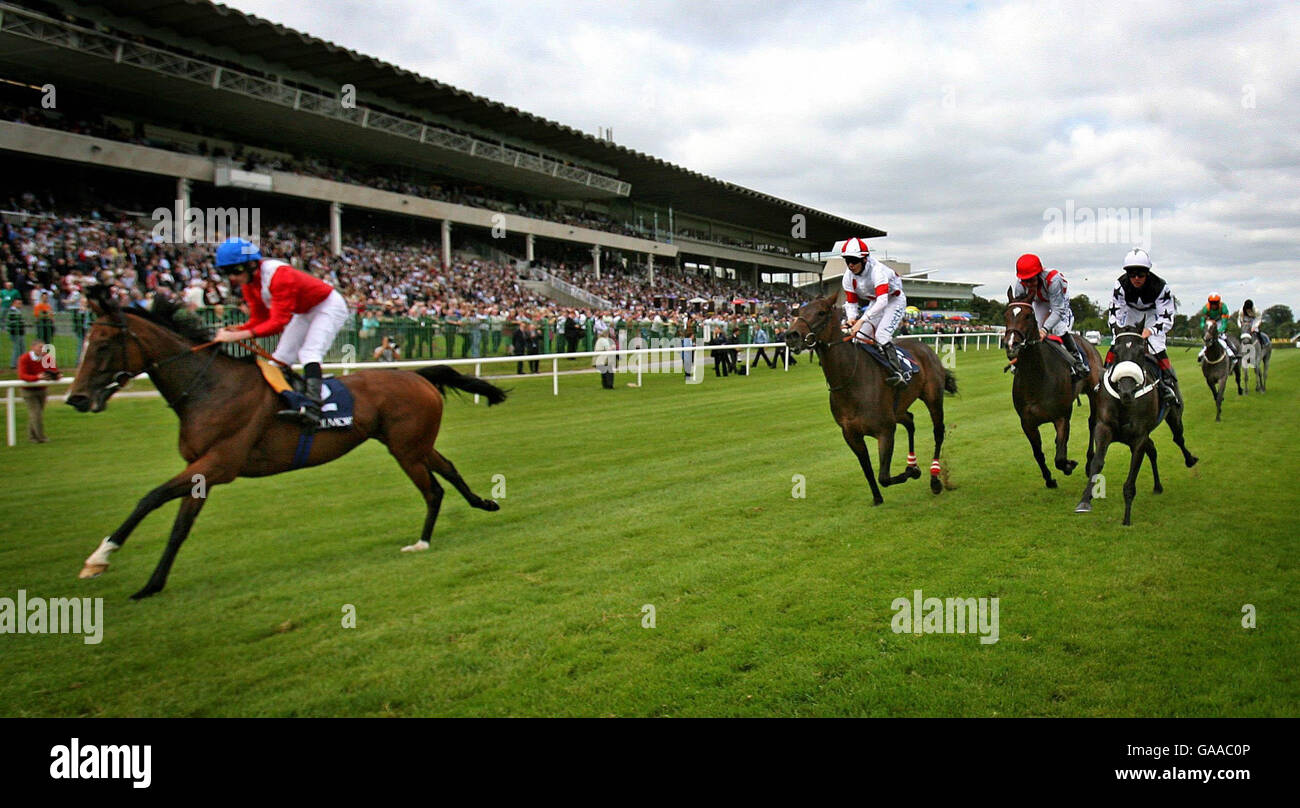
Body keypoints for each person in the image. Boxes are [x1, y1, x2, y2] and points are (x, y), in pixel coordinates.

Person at [212, 237, 350, 429]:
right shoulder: (249, 285)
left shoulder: (279, 275)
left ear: (251, 264)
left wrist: (237, 336)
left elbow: (278, 323)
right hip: (305, 311)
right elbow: (259, 320)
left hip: (328, 305)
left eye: (235, 270)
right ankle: (284, 402)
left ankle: (313, 409)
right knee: (279, 359)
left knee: (309, 353)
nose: (232, 277)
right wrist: (238, 330)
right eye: (226, 272)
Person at [1106, 248, 1179, 406]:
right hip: (1130, 313)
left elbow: (1166, 316)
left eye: (1141, 274)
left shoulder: (1161, 287)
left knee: (1157, 345)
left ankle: (1168, 384)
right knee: (1117, 343)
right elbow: (1115, 312)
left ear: (1147, 273)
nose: (1136, 278)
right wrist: (1118, 331)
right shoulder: (1120, 284)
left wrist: (1151, 330)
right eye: (1132, 274)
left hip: (1153, 315)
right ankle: (1104, 375)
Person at [837, 237, 907, 386]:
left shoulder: (878, 271)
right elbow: (851, 302)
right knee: (857, 338)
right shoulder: (847, 277)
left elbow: (883, 302)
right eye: (847, 260)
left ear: (864, 259)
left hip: (894, 301)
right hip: (876, 302)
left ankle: (898, 372)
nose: (850, 264)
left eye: (854, 260)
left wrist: (861, 320)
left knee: (881, 335)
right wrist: (851, 319)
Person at [1012, 254, 1089, 379]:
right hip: (1038, 301)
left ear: (1039, 274)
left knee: (1059, 328)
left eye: (1032, 280)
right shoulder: (1020, 285)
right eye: (1025, 281)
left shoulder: (1054, 280)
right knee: (1030, 327)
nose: (1029, 284)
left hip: (1058, 301)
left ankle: (1077, 361)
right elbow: (1022, 310)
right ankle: (1019, 359)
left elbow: (1057, 310)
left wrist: (1044, 329)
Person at [17, 338, 59, 443]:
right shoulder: (25, 358)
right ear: (33, 347)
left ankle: (32, 437)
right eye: (40, 347)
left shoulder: (47, 357)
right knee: (36, 414)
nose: (42, 349)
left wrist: (57, 375)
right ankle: (41, 437)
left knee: (36, 414)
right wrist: (37, 377)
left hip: (42, 389)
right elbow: (22, 375)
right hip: (28, 391)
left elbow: (54, 370)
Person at [1195, 294, 1235, 363]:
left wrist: (1219, 331)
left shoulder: (1223, 307)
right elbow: (1202, 322)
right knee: (1207, 337)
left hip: (1220, 321)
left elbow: (1224, 323)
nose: (1213, 305)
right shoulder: (1206, 308)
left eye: (1215, 303)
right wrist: (1204, 328)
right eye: (1212, 303)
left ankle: (1231, 352)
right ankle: (1202, 352)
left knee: (1222, 336)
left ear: (1218, 302)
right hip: (1210, 321)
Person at [6, 298, 25, 369]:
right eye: (18, 303)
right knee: (17, 349)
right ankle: (13, 364)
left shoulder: (17, 311)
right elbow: (13, 323)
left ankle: (21, 363)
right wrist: (22, 324)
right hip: (15, 333)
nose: (20, 305)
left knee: (21, 348)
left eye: (20, 303)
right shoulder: (12, 311)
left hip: (19, 332)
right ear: (14, 303)